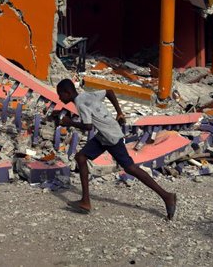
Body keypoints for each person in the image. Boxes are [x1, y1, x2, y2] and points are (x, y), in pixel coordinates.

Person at [56, 79, 177, 220]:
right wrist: (119, 112)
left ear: (68, 92)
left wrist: (68, 122)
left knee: (131, 168)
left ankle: (167, 196)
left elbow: (88, 126)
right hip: (105, 135)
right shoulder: (87, 95)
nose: (59, 98)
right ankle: (85, 201)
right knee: (81, 157)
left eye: (60, 95)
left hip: (110, 138)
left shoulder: (80, 103)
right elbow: (109, 92)